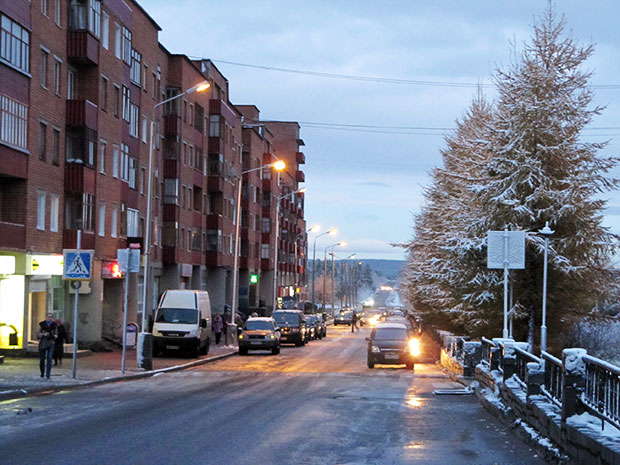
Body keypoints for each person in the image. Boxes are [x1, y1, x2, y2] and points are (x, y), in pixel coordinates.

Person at [38, 313, 57, 379]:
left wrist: (51, 335)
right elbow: (38, 334)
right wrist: (43, 334)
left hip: (51, 343)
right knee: (42, 359)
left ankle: (48, 374)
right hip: (43, 343)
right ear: (46, 317)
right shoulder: (41, 325)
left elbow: (56, 335)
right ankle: (42, 373)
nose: (49, 318)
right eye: (48, 317)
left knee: (49, 358)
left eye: (51, 317)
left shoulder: (54, 325)